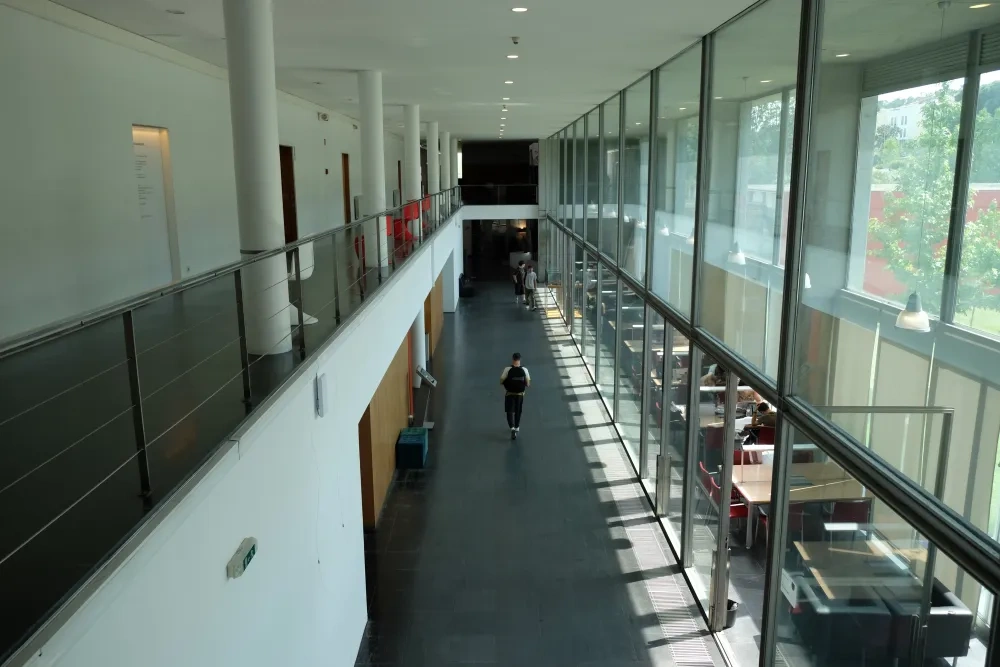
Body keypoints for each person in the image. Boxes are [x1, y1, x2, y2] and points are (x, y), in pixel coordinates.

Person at [500, 352, 531, 440]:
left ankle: (512, 428)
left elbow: (501, 381)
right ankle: (517, 427)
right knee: (518, 410)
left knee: (509, 411)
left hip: (509, 393)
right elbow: (528, 384)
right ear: (520, 359)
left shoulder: (507, 369)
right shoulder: (524, 370)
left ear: (512, 359)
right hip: (520, 394)